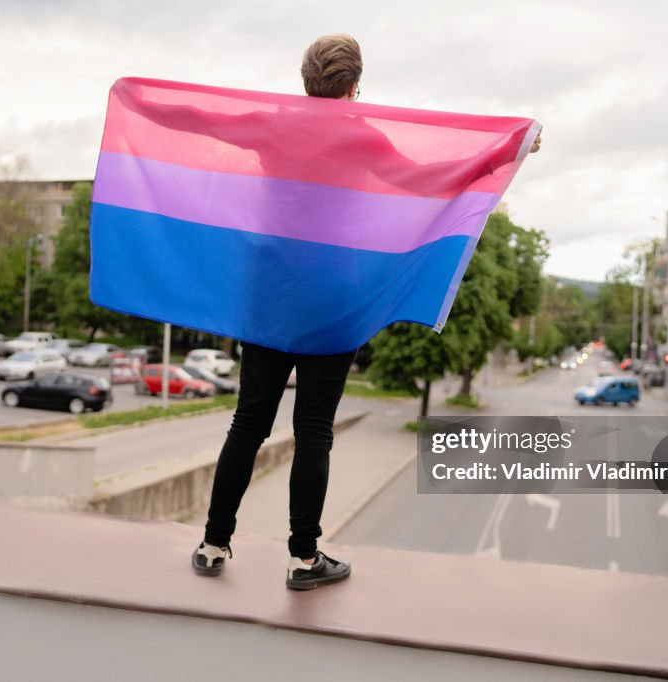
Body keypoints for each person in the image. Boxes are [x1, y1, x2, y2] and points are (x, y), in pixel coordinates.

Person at [191, 34, 541, 590]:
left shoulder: (272, 124)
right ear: (354, 86)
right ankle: (303, 559)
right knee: (314, 430)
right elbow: (432, 180)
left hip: (271, 294)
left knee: (249, 422)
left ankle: (213, 545)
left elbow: (198, 120)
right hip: (334, 298)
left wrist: (139, 100)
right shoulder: (364, 136)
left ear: (305, 80)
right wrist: (509, 149)